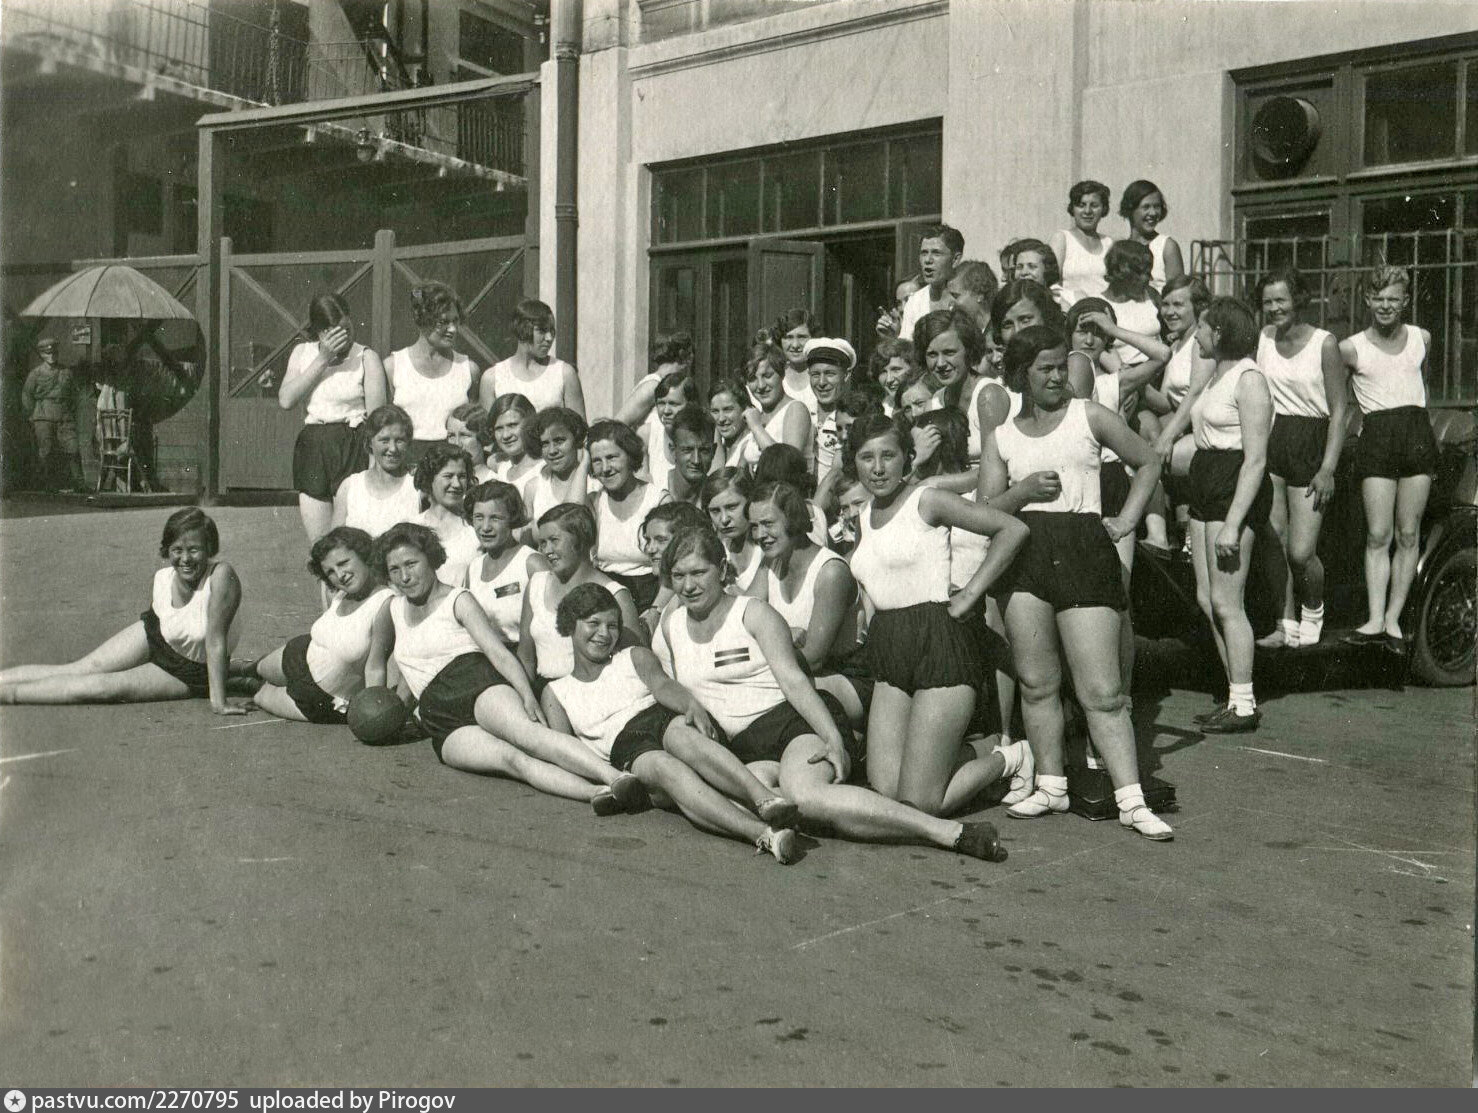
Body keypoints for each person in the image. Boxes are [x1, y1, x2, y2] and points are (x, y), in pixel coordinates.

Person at [656, 526, 1008, 860]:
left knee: (806, 796)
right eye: (679, 575)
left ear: (721, 570)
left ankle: (948, 832)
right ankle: (771, 806)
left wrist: (832, 739)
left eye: (698, 572)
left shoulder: (753, 613)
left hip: (792, 725)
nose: (689, 585)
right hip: (744, 749)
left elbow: (795, 682)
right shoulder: (672, 626)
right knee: (683, 747)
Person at [980, 326, 1173, 838]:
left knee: (1103, 691)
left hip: (1084, 551)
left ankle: (1131, 800)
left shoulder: (1088, 415)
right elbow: (985, 510)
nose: (1055, 377)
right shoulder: (1003, 436)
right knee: (1037, 683)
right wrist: (1022, 491)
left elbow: (1149, 460)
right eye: (1043, 368)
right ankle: (1051, 785)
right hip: (1025, 556)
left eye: (1059, 367)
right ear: (1020, 375)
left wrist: (1128, 519)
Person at [365, 523, 648, 814]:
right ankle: (599, 793)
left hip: (473, 683)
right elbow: (380, 665)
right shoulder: (393, 609)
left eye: (411, 564)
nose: (405, 576)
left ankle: (616, 777)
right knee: (513, 761)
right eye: (394, 569)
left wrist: (526, 694)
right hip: (437, 715)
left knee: (528, 736)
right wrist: (375, 709)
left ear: (430, 558)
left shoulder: (457, 599)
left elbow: (497, 653)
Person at [847, 411, 1033, 817]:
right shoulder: (863, 515)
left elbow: (1012, 530)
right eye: (866, 457)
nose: (877, 468)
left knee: (919, 804)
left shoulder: (927, 500)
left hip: (938, 645)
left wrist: (970, 593)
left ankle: (1011, 757)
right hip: (890, 648)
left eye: (888, 455)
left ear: (907, 457)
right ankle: (963, 754)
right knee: (886, 791)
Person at [543, 583, 801, 863]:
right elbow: (569, 752)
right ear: (570, 624)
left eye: (613, 625)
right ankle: (763, 834)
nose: (604, 634)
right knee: (664, 767)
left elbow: (663, 686)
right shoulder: (557, 692)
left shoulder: (633, 656)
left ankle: (765, 799)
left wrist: (689, 704)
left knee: (681, 735)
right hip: (627, 748)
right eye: (593, 623)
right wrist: (607, 785)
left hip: (660, 717)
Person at [0, 508, 247, 714]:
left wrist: (219, 703)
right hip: (157, 635)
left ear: (209, 548)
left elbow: (215, 641)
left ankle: (9, 694)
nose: (185, 559)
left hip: (189, 670)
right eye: (177, 550)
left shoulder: (221, 576)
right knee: (80, 669)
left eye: (194, 549)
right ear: (167, 550)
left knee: (102, 687)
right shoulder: (164, 578)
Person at [1181, 298, 1273, 732]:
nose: (1196, 336)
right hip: (1206, 480)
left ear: (1219, 333)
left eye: (1201, 328)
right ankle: (1234, 694)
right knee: (1206, 598)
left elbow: (1255, 460)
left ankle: (1244, 703)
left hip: (1233, 485)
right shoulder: (1216, 374)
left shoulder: (1249, 379)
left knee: (1226, 602)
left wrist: (1234, 523)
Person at [1340, 264, 1439, 649]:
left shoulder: (1421, 338)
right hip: (1377, 440)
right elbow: (1335, 399)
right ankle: (1375, 618)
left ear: (1405, 301)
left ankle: (1394, 619)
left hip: (1416, 437)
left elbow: (1417, 385)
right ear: (1368, 299)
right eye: (1378, 298)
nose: (1385, 305)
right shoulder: (1351, 348)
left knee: (1408, 532)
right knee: (1378, 534)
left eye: (1393, 299)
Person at [1253, 268, 1347, 649]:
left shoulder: (1324, 343)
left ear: (1298, 300)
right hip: (1273, 440)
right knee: (1274, 541)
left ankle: (1313, 609)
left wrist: (1328, 468)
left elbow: (1339, 411)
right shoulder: (1263, 337)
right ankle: (1285, 622)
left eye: (1281, 300)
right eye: (1267, 302)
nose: (1274, 308)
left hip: (1311, 442)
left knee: (1301, 551)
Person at [747, 480, 868, 728]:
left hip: (845, 679)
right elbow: (740, 625)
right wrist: (784, 634)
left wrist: (771, 638)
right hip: (794, 671)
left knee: (762, 692)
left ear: (793, 519)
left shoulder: (830, 572)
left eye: (768, 524)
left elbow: (813, 658)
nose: (759, 535)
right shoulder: (770, 562)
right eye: (754, 526)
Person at [250, 527, 394, 724]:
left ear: (364, 555)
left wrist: (374, 711)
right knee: (257, 669)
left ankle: (231, 682)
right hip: (299, 654)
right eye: (330, 572)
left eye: (343, 563)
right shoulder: (340, 594)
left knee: (257, 693)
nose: (340, 575)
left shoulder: (384, 602)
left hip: (319, 699)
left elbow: (375, 667)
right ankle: (218, 673)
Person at [279, 293, 389, 540]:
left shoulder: (366, 357)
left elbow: (377, 422)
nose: (345, 336)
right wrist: (323, 359)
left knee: (351, 539)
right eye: (336, 332)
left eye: (348, 328)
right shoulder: (302, 353)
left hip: (353, 446)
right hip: (314, 447)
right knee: (320, 544)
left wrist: (375, 468)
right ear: (320, 332)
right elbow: (286, 400)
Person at [519, 503, 641, 688]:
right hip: (544, 690)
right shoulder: (537, 583)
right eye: (542, 543)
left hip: (595, 692)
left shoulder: (616, 594)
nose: (546, 550)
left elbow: (633, 662)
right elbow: (526, 656)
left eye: (554, 540)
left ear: (580, 540)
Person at [384, 282, 478, 468]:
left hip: (453, 467)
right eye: (443, 322)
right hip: (406, 466)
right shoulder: (393, 366)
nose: (453, 329)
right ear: (423, 320)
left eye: (455, 321)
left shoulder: (468, 369)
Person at [586, 418, 669, 612]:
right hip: (605, 599)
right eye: (597, 461)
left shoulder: (657, 500)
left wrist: (655, 611)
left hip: (652, 598)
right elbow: (568, 521)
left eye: (612, 457)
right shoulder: (593, 502)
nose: (605, 468)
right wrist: (583, 464)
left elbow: (673, 567)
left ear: (630, 456)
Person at [464, 480, 549, 654]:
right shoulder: (473, 568)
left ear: (512, 519)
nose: (485, 527)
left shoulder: (532, 564)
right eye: (479, 517)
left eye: (495, 518)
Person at [478, 299, 585, 419]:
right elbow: (488, 429)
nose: (549, 338)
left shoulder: (564, 373)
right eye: (542, 330)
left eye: (552, 331)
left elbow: (579, 427)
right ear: (522, 330)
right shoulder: (492, 378)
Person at [913, 309, 988, 466]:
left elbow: (995, 468)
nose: (940, 363)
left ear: (968, 351)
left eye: (949, 352)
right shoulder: (935, 401)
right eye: (932, 354)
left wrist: (935, 480)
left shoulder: (988, 395)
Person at [332, 404, 420, 537]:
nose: (393, 449)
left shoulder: (417, 486)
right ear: (369, 442)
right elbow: (334, 543)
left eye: (400, 441)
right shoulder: (350, 487)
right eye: (384, 440)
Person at [21, 337, 86, 492]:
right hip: (43, 416)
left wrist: (70, 411)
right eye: (47, 353)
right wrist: (32, 415)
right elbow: (27, 396)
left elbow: (74, 394)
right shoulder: (35, 374)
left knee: (73, 448)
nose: (51, 356)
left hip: (64, 416)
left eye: (54, 353)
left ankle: (79, 484)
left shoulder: (66, 372)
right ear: (42, 355)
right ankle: (49, 484)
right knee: (46, 451)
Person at [412, 443, 480, 586]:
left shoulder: (475, 526)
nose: (457, 484)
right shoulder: (413, 527)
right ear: (429, 479)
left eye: (462, 476)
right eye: (448, 476)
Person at [737, 343, 811, 469]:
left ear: (782, 374)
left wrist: (756, 427)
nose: (761, 386)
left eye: (767, 376)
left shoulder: (795, 409)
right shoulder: (758, 416)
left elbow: (788, 466)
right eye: (752, 379)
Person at [889, 225, 966, 341]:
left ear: (955, 259)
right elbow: (907, 346)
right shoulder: (915, 303)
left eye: (936, 253)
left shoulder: (968, 298)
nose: (928, 260)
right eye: (924, 253)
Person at [522, 406, 596, 523]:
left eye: (559, 441)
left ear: (577, 439)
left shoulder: (595, 483)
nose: (552, 451)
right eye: (545, 444)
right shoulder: (533, 487)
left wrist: (585, 462)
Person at [700, 467, 763, 592]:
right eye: (715, 511)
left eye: (731, 507)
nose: (724, 519)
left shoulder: (767, 550)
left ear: (750, 501)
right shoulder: (716, 550)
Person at [1050, 181, 1115, 299]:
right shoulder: (1062, 238)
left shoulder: (1109, 243)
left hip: (1104, 307)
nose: (1087, 211)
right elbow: (1052, 285)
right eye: (1081, 205)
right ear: (1073, 209)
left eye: (1094, 205)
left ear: (1103, 209)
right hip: (1071, 307)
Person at [1119, 179, 1185, 293]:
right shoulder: (1120, 248)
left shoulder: (1167, 246)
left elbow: (1177, 294)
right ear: (1131, 209)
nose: (1153, 213)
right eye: (1146, 207)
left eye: (1157, 206)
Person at [634, 369, 693, 492]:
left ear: (691, 404)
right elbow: (642, 487)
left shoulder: (705, 432)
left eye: (673, 404)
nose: (666, 411)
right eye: (661, 403)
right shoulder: (646, 434)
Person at [772, 309, 821, 424]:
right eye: (788, 337)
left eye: (802, 337)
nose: (795, 345)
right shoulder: (774, 376)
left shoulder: (821, 376)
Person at [667, 406, 720, 505]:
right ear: (673, 451)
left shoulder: (718, 498)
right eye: (687, 450)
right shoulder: (654, 492)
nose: (696, 460)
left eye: (704, 450)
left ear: (713, 451)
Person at [1004, 238, 1074, 312]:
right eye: (1019, 267)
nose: (1024, 272)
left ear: (1047, 270)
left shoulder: (1064, 301)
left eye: (1032, 266)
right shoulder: (1006, 302)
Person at [487, 393, 539, 490]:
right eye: (499, 428)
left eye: (512, 425)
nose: (506, 435)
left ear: (530, 424)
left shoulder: (542, 470)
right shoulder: (501, 466)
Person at [943, 260, 1001, 343]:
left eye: (955, 296)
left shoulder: (999, 335)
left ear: (979, 294)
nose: (950, 304)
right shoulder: (965, 334)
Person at [708, 375, 753, 467]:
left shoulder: (751, 445)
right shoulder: (720, 446)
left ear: (744, 409)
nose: (721, 419)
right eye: (715, 411)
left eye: (727, 410)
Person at [445, 402, 494, 482]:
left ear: (482, 438)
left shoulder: (495, 478)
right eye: (451, 436)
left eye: (464, 435)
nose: (457, 443)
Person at [866, 338, 915, 415]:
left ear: (913, 368)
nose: (889, 380)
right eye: (883, 372)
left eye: (896, 370)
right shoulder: (885, 406)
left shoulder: (928, 404)